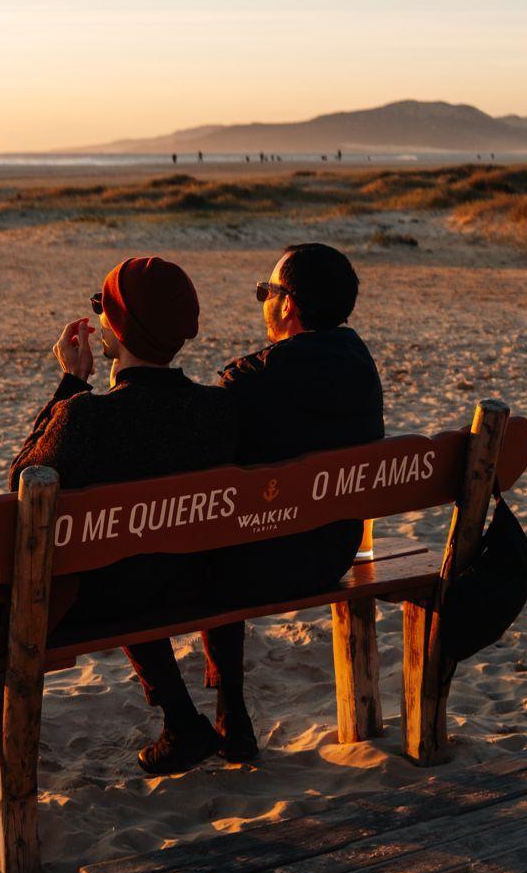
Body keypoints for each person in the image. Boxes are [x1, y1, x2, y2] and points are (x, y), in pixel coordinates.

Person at [0, 256, 240, 775]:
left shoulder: (88, 418)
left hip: (103, 597)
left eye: (103, 308)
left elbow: (22, 482)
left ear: (118, 329)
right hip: (190, 583)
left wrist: (71, 382)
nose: (98, 318)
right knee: (130, 551)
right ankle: (183, 721)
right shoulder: (219, 410)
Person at [123, 242, 384, 761]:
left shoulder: (253, 378)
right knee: (233, 535)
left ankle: (212, 713)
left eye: (266, 291)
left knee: (166, 555)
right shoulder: (361, 365)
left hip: (263, 562)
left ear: (288, 305)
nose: (262, 299)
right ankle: (229, 716)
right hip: (334, 550)